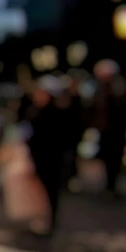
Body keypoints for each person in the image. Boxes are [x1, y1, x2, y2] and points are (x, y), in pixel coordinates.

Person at [22, 78, 82, 238]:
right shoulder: (37, 110)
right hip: (41, 156)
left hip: (51, 157)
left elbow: (63, 136)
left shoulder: (56, 112)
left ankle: (49, 220)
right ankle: (43, 218)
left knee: (50, 190)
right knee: (41, 189)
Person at [95, 61, 126, 198]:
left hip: (115, 131)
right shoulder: (102, 89)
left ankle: (111, 184)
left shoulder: (118, 88)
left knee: (113, 158)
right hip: (107, 131)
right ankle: (109, 184)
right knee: (108, 158)